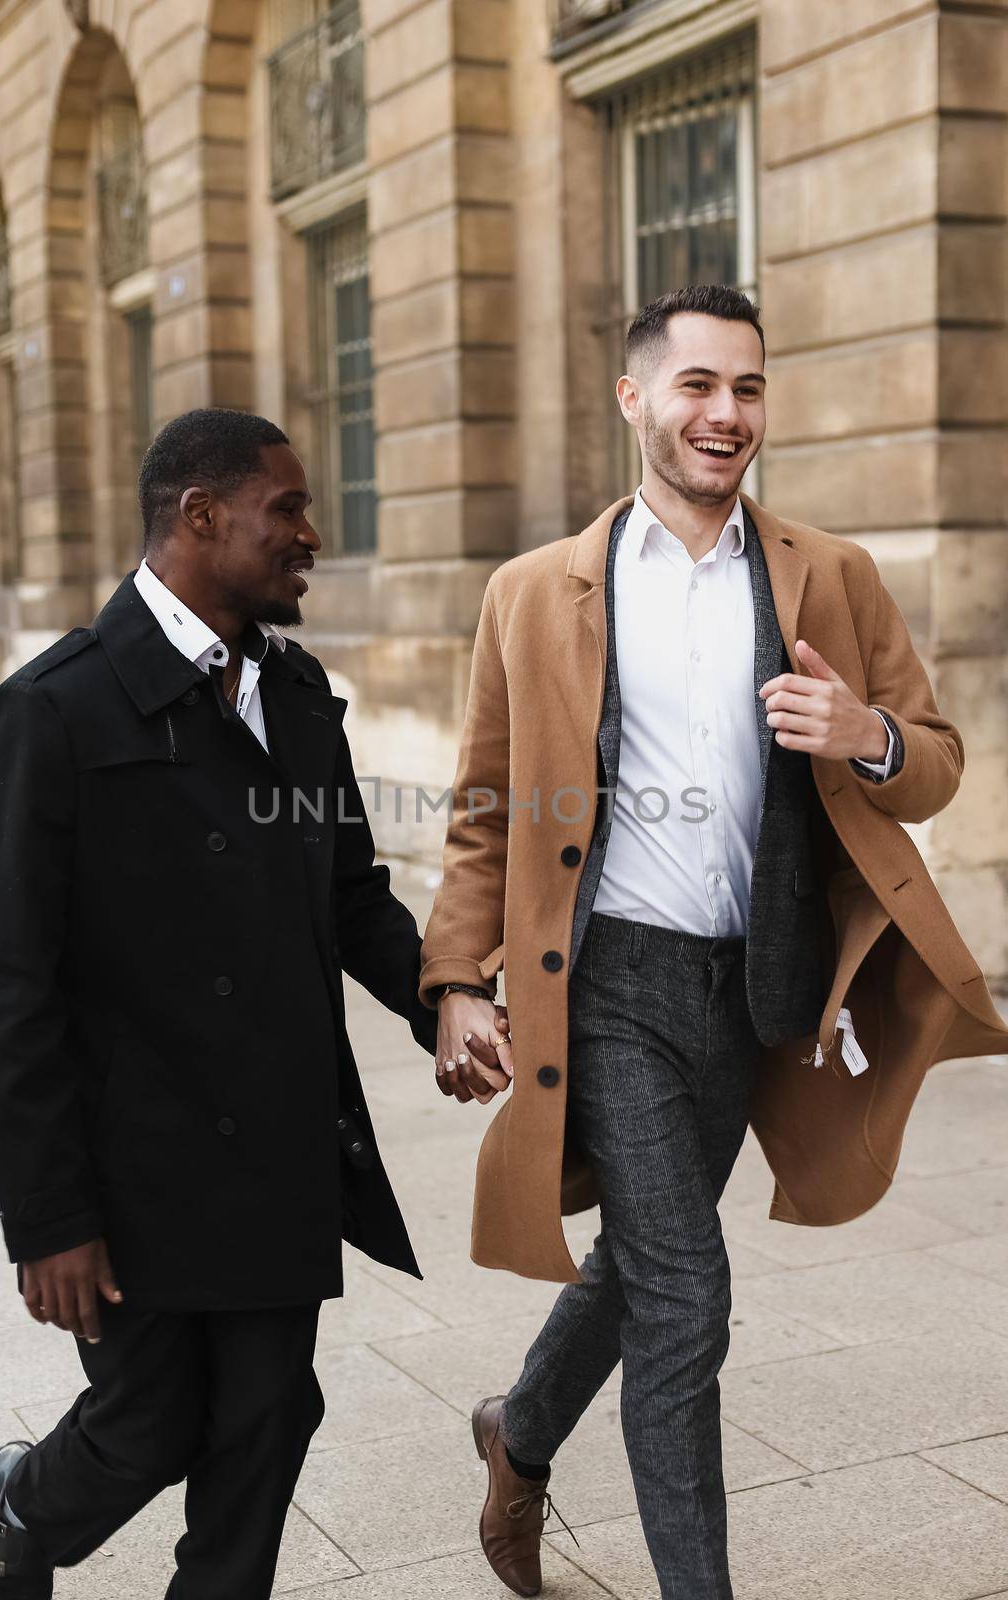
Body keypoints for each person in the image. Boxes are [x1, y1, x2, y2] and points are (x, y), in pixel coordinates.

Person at [420, 285, 1008, 1600]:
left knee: (641, 1257)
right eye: (693, 386)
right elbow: (482, 809)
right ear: (633, 400)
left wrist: (861, 732)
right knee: (685, 1296)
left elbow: (933, 766)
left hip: (760, 984)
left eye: (744, 388)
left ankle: (516, 1435)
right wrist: (456, 978)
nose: (722, 413)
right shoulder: (532, 594)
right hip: (611, 982)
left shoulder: (829, 578)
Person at [0, 408, 445, 1599]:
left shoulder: (295, 691)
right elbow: (9, 990)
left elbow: (351, 895)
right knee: (150, 1423)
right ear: (199, 516)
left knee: (267, 1418)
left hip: (281, 1141)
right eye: (285, 509)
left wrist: (450, 998)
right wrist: (46, 1216)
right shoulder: (55, 711)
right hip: (132, 1165)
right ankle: (27, 1500)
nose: (310, 534)